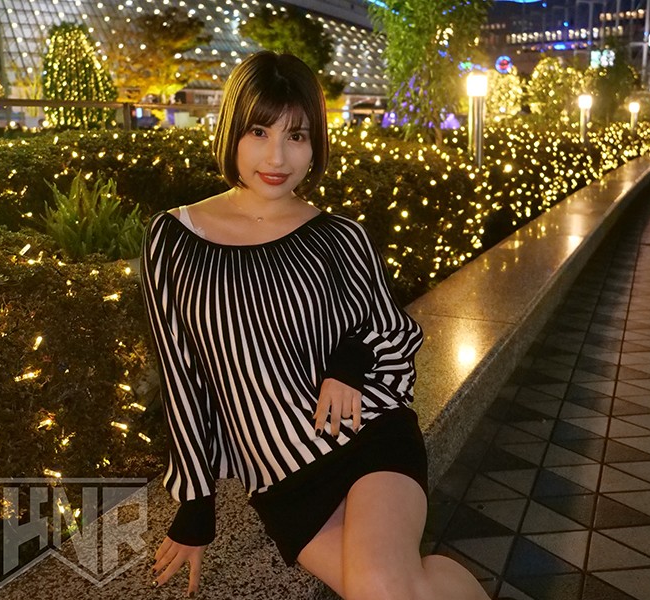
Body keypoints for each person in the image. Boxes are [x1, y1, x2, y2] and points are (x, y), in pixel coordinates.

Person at [140, 51, 490, 600]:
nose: (277, 156)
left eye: (297, 136)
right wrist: (195, 506)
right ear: (232, 132)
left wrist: (347, 366)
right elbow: (181, 373)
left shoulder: (340, 236)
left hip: (368, 434)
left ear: (315, 144)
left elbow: (391, 330)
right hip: (280, 472)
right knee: (397, 589)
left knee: (380, 588)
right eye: (259, 131)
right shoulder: (173, 237)